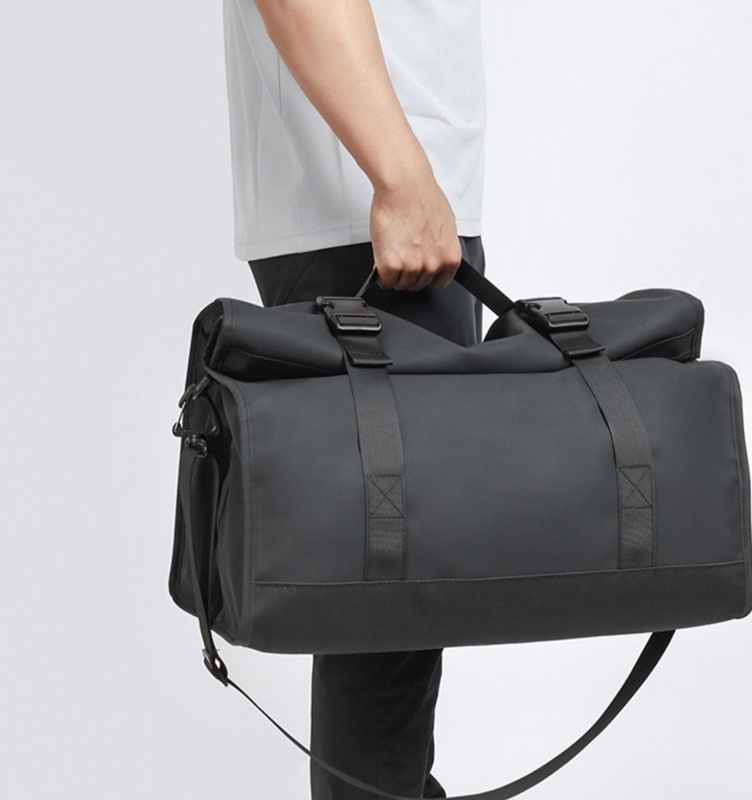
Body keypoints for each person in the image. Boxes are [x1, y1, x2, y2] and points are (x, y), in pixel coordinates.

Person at [222, 1, 487, 797]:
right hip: (370, 203)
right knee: (390, 602)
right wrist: (402, 175)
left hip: (382, 194)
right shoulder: (390, 184)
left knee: (394, 604)